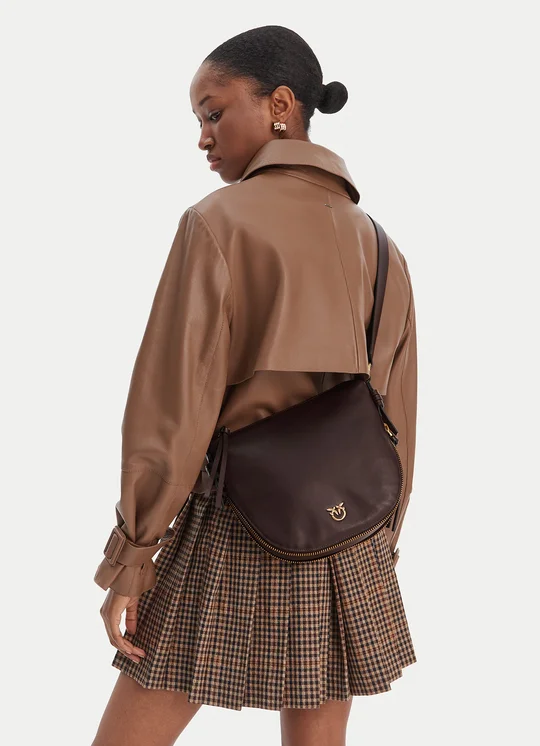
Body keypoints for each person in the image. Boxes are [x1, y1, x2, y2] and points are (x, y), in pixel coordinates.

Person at [92, 24, 418, 746]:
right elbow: (397, 414)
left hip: (235, 516)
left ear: (279, 105)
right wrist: (381, 537)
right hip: (351, 537)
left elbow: (173, 404)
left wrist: (134, 555)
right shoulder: (380, 244)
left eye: (213, 112)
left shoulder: (217, 224)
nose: (202, 138)